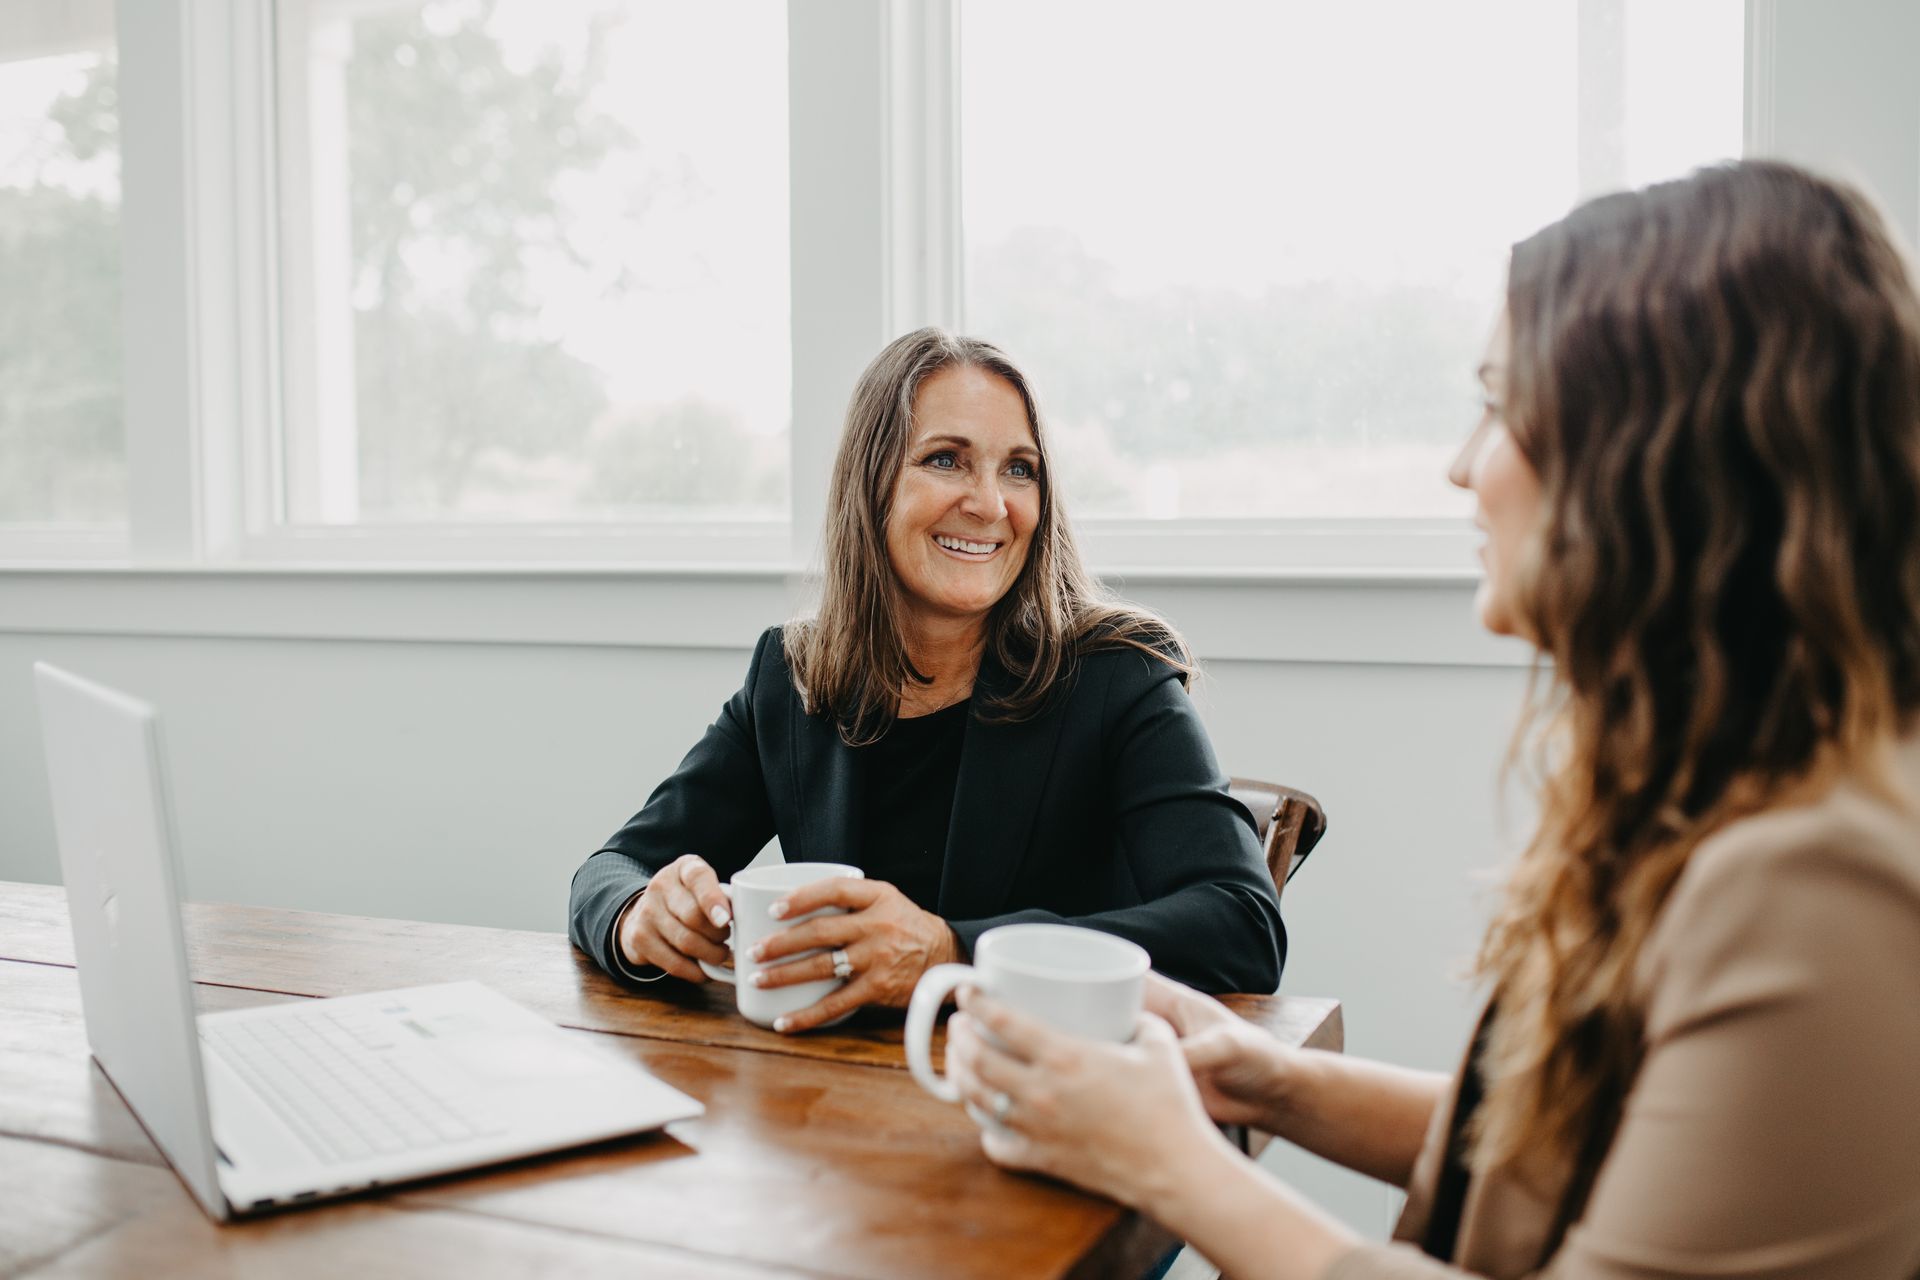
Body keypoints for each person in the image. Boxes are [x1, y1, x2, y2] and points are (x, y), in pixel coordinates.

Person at [946, 159, 1920, 1277]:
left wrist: (1169, 1160)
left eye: (1500, 405)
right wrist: (1264, 1077)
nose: (1462, 467)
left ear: (1662, 456)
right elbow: (1589, 1150)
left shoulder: (1819, 887)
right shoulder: (1736, 789)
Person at [568, 328, 1286, 1032]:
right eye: (947, 460)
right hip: (834, 1086)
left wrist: (951, 954)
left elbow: (1242, 924)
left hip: (1047, 1079)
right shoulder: (791, 677)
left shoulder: (1118, 672)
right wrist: (639, 918)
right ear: (871, 483)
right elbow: (613, 869)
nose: (991, 504)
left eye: (1019, 469)